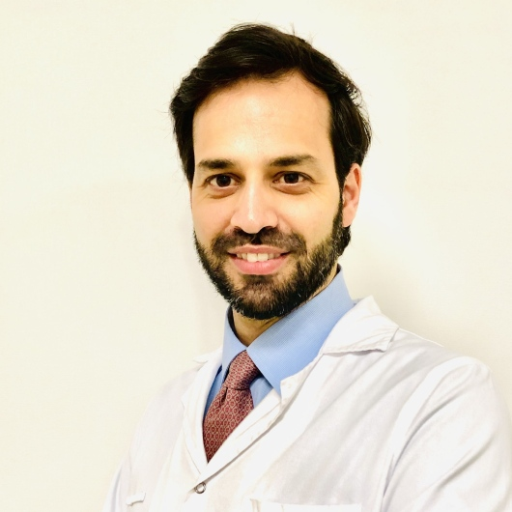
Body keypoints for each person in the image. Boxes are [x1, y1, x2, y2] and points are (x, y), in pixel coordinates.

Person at [103, 23, 512, 512]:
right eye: (223, 179)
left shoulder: (437, 402)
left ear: (347, 195)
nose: (251, 218)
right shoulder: (163, 416)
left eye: (290, 176)